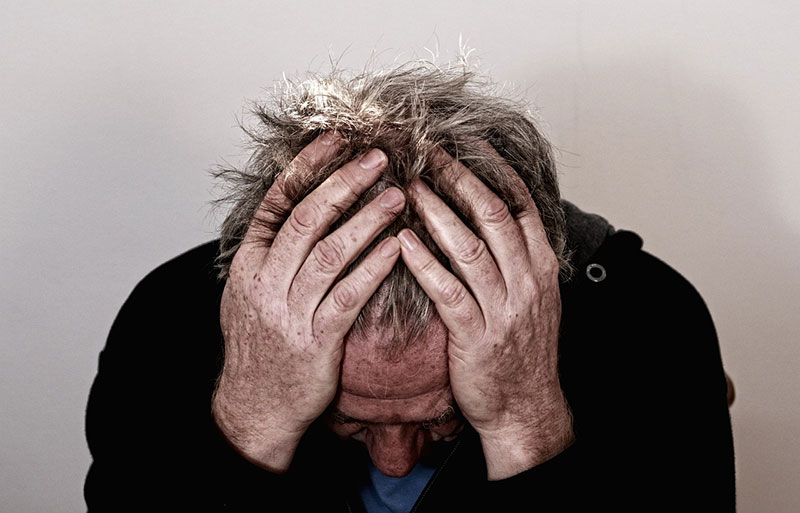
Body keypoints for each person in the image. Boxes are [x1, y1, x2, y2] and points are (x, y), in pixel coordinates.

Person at [84, 62, 736, 512]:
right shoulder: (165, 322)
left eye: (442, 417)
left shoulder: (654, 324)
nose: (395, 461)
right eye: (352, 420)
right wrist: (251, 423)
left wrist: (524, 423)